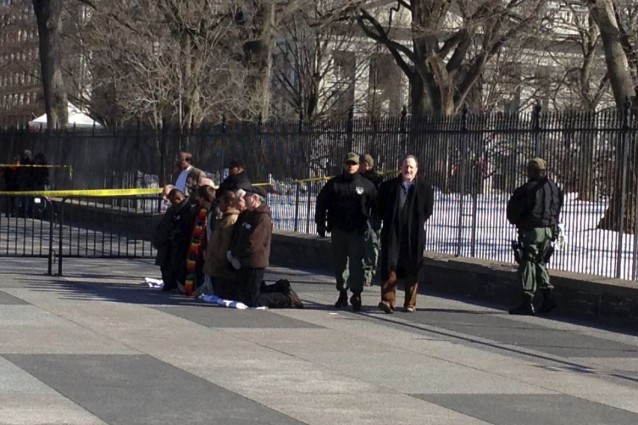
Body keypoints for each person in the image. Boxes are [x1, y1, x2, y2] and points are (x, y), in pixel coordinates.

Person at [315, 152, 377, 311]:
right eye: (348, 163)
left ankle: (356, 293)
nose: (351, 166)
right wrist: (320, 223)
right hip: (338, 229)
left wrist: (374, 227)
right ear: (344, 164)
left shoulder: (366, 185)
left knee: (356, 263)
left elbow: (376, 207)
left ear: (359, 165)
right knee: (340, 263)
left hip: (357, 230)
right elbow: (321, 203)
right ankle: (342, 292)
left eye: (354, 163)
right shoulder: (334, 184)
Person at [227, 186, 302, 308]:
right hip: (245, 261)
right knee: (245, 295)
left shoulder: (262, 217)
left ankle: (286, 298)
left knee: (252, 300)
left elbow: (253, 243)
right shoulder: (249, 214)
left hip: (255, 262)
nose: (244, 199)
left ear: (255, 198)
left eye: (247, 196)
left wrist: (237, 254)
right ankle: (279, 287)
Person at [377, 155, 434, 314]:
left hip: (414, 233)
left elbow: (427, 210)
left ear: (416, 170)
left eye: (411, 167)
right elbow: (380, 207)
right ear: (400, 168)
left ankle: (410, 302)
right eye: (405, 167)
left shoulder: (424, 189)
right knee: (390, 264)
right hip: (393, 231)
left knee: (413, 265)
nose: (408, 170)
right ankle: (388, 301)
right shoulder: (389, 187)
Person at [506, 157, 563, 316]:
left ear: (530, 171)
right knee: (541, 262)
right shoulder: (554, 188)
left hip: (531, 231)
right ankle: (547, 297)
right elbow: (557, 208)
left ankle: (527, 301)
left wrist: (520, 221)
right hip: (549, 230)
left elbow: (513, 213)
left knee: (528, 263)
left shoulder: (526, 189)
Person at [203, 190, 241, 300]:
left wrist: (219, 260)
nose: (219, 205)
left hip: (221, 265)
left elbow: (225, 243)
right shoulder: (223, 218)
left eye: (221, 202)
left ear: (228, 203)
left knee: (222, 293)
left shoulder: (231, 219)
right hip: (215, 262)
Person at [152, 187, 185, 292]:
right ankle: (169, 283)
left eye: (171, 200)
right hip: (165, 242)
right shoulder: (174, 209)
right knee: (165, 265)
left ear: (178, 198)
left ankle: (172, 283)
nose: (168, 202)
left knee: (170, 266)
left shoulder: (182, 209)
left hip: (172, 243)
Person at [359, 153, 383, 286]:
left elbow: (378, 199)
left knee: (372, 245)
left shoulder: (376, 179)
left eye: (364, 164)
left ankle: (369, 273)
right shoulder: (356, 178)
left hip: (372, 216)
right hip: (360, 216)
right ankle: (361, 273)